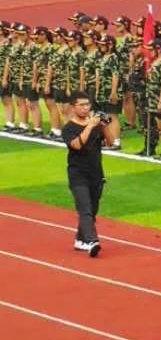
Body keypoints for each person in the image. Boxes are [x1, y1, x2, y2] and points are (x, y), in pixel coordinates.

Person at [62, 93, 117, 256]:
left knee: (92, 210)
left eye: (88, 105)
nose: (86, 108)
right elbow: (77, 145)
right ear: (73, 107)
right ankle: (92, 241)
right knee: (85, 209)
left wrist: (104, 125)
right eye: (82, 105)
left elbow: (111, 142)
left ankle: (80, 239)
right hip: (78, 174)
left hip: (96, 174)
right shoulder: (69, 128)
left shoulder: (95, 125)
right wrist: (90, 126)